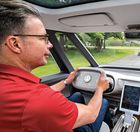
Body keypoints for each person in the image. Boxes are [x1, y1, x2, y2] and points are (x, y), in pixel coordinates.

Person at [0, 0, 110, 131]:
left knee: (78, 97)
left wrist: (66, 82)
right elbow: (91, 114)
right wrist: (100, 89)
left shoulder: (13, 86)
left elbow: (38, 98)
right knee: (102, 102)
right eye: (43, 38)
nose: (50, 45)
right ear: (15, 44)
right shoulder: (37, 101)